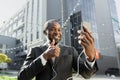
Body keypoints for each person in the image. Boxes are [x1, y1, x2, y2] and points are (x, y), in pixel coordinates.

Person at [18, 19, 98, 80]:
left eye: (59, 30)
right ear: (45, 32)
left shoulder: (71, 50)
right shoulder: (35, 50)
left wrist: (90, 58)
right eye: (53, 29)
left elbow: (87, 75)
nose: (57, 32)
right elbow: (22, 77)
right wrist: (45, 56)